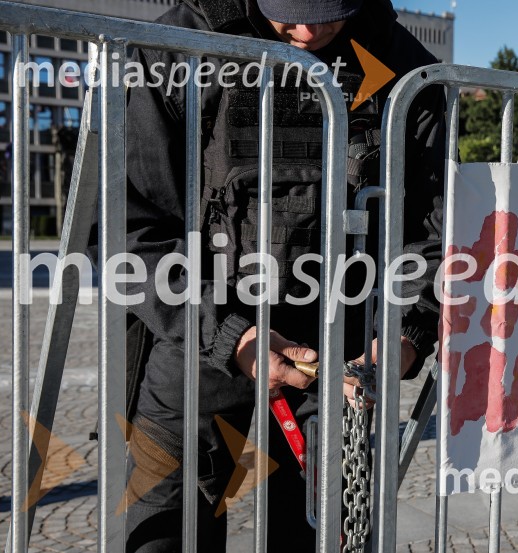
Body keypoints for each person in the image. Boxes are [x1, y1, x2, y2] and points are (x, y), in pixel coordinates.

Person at [89, 0, 446, 550]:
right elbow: (128, 228)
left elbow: (432, 230)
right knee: (167, 529)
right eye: (291, 10)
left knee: (323, 533)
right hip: (197, 330)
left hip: (338, 348)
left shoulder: (402, 63)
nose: (306, 31)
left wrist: (406, 335)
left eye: (328, 11)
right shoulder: (176, 49)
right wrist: (229, 335)